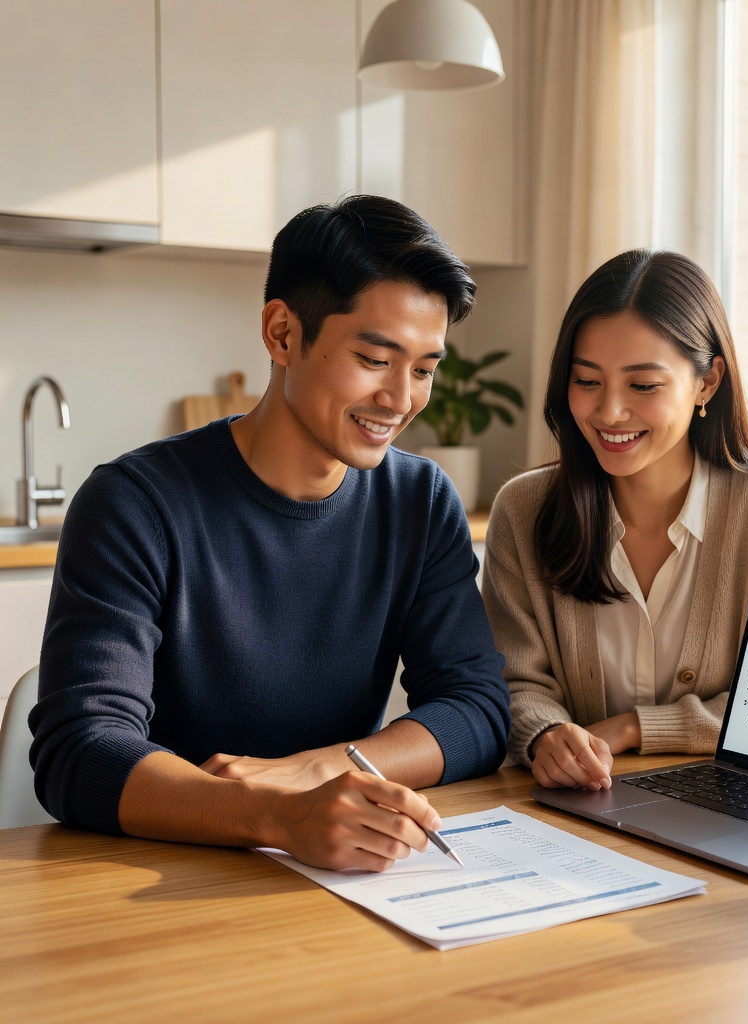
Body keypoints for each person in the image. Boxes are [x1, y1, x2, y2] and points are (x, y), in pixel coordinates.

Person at [30, 195, 510, 872]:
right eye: (376, 359)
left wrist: (320, 772)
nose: (403, 399)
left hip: (331, 872)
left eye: (425, 369)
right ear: (282, 334)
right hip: (160, 871)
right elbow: (80, 750)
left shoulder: (420, 500)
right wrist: (277, 815)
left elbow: (478, 708)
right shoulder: (134, 504)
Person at [482, 248, 748, 791]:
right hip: (576, 807)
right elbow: (511, 678)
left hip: (730, 805)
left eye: (643, 386)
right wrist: (546, 733)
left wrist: (633, 729)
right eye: (587, 381)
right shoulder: (523, 510)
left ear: (707, 383)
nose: (609, 412)